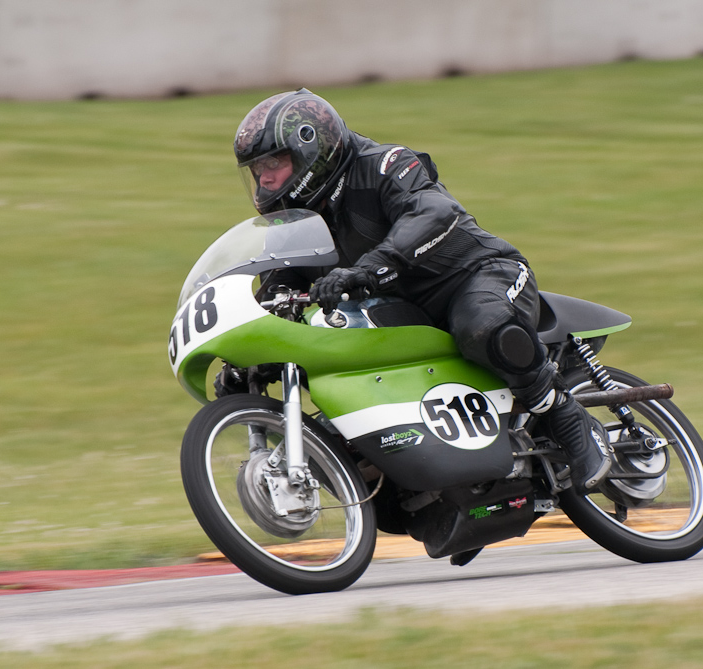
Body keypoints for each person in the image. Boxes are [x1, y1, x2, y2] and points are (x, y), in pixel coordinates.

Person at [231, 88, 612, 495]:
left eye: (275, 162)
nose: (265, 178)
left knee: (482, 326)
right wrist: (250, 349)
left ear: (312, 150)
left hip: (477, 275)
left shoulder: (384, 164)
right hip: (402, 311)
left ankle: (567, 418)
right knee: (332, 362)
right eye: (257, 169)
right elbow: (279, 285)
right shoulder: (294, 220)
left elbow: (435, 212)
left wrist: (366, 269)